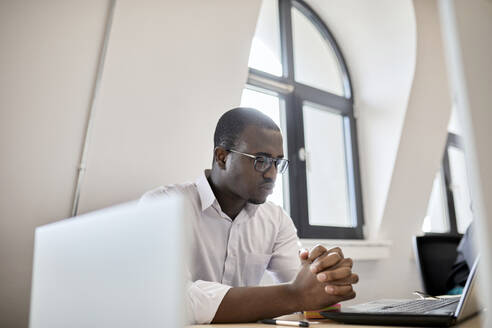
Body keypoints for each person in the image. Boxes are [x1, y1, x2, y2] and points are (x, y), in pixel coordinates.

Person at [140, 107, 358, 324]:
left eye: (277, 162)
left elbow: (302, 287)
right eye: (260, 160)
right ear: (222, 157)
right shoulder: (161, 207)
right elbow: (177, 300)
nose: (272, 174)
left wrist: (324, 277)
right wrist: (295, 294)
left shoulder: (275, 219)